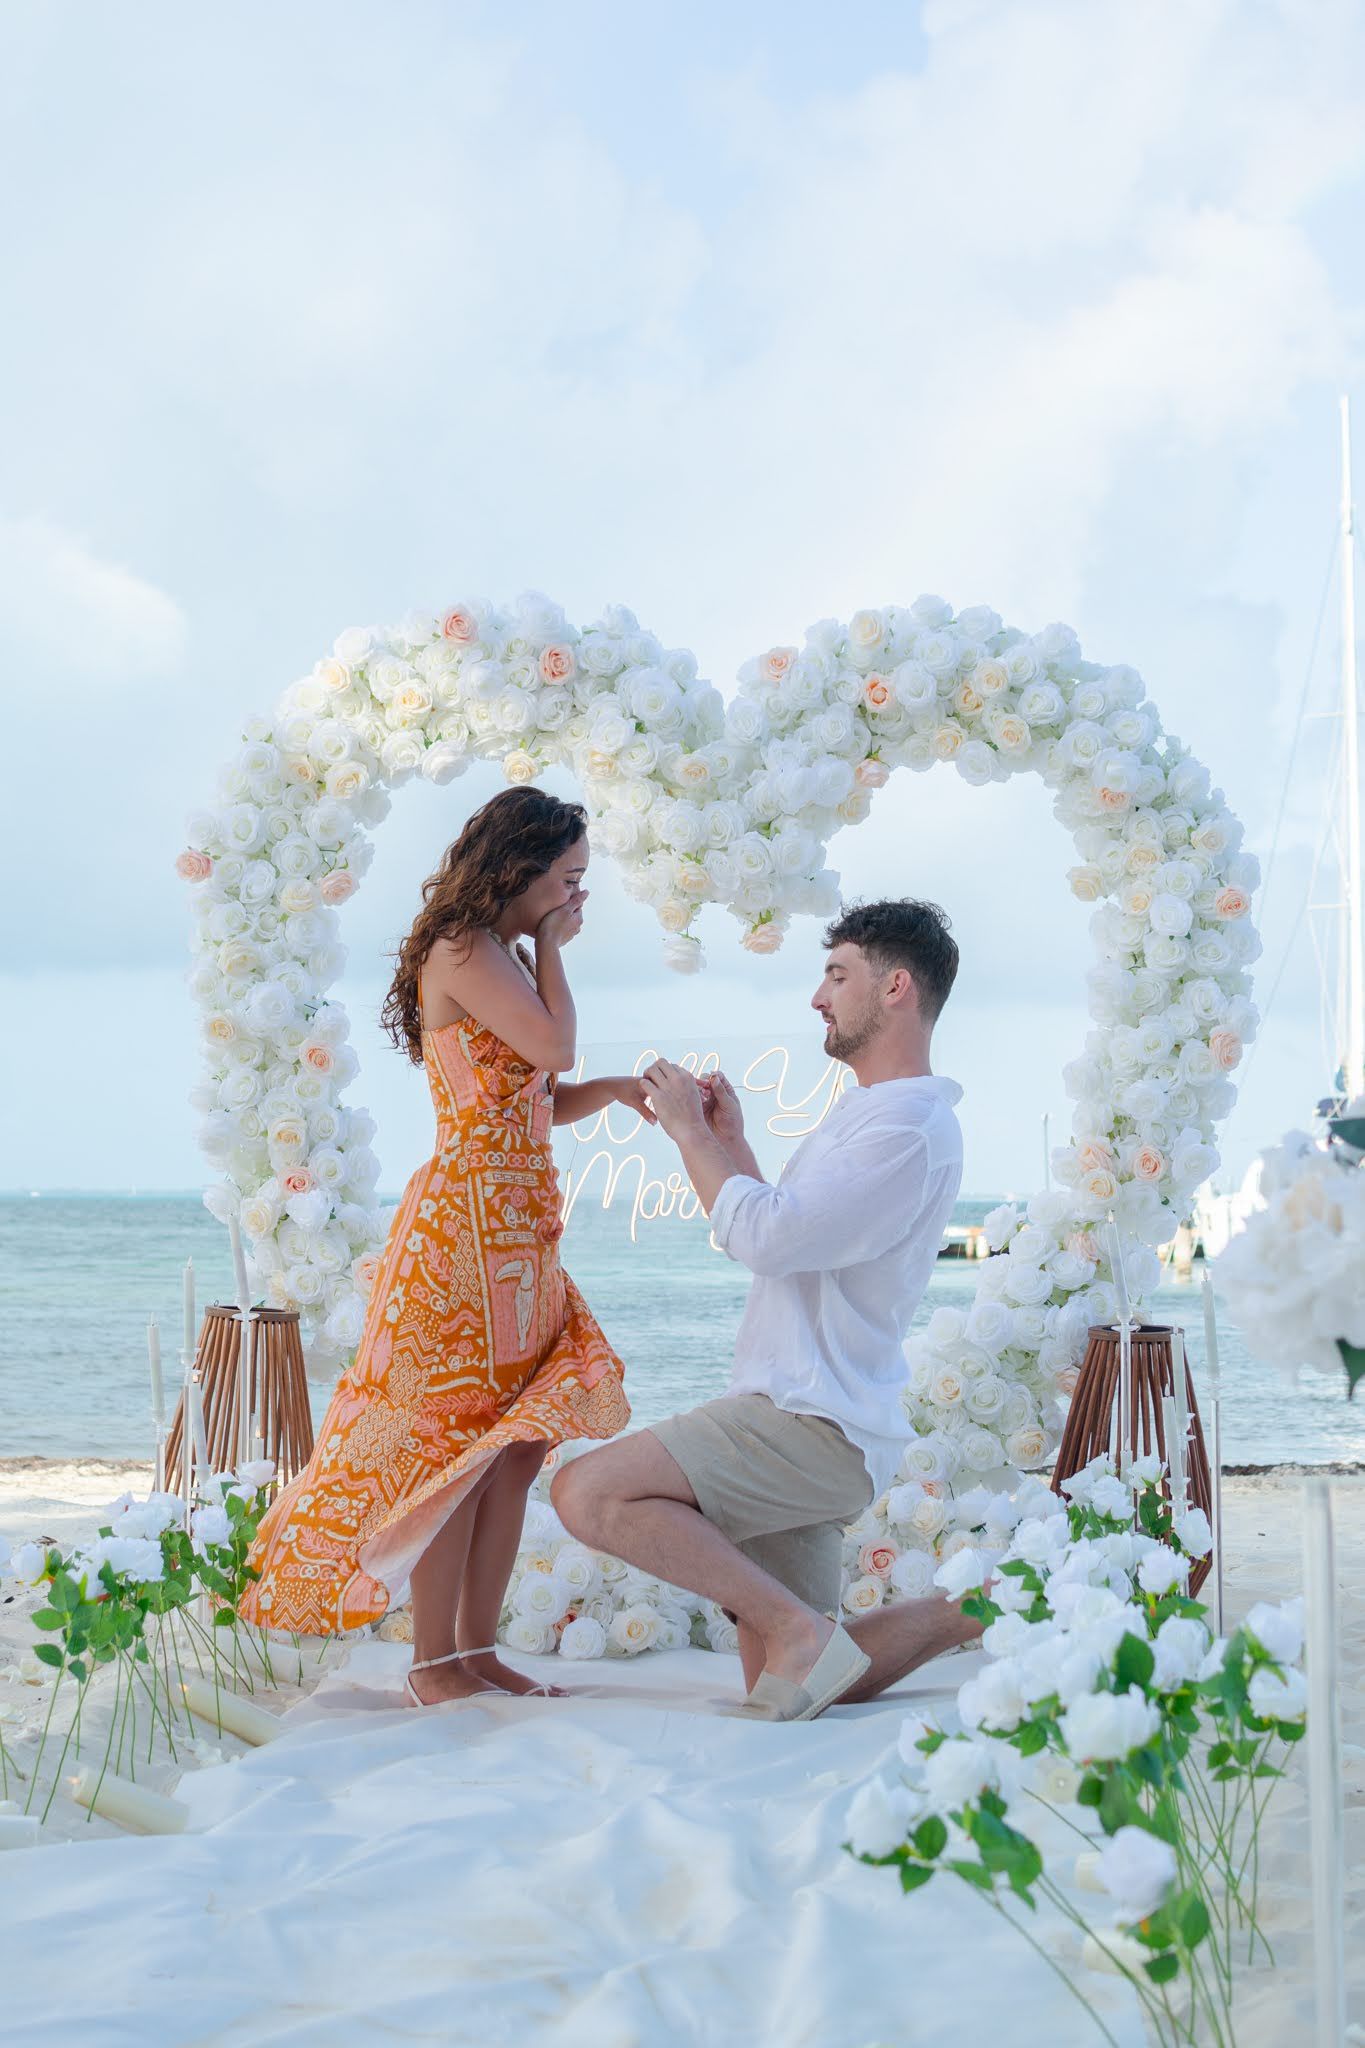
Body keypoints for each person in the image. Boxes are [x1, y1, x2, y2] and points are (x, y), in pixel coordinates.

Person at [240, 787, 651, 1704]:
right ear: (520, 866)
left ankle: (476, 1650)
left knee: (513, 1448)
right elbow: (554, 1048)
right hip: (462, 1233)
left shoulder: (499, 952)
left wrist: (618, 1092)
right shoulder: (463, 948)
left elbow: (532, 1097)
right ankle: (432, 1663)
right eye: (569, 879)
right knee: (453, 1448)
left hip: (520, 1232)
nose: (578, 897)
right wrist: (555, 948)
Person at [552, 899, 982, 1720]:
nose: (817, 998)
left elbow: (766, 1238)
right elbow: (786, 1235)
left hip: (809, 1420)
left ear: (895, 987)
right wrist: (730, 1143)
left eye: (836, 975)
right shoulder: (872, 1111)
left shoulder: (905, 1127)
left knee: (587, 1492)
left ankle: (796, 1628)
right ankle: (967, 1611)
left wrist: (690, 1134)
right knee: (790, 1683)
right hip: (819, 1417)